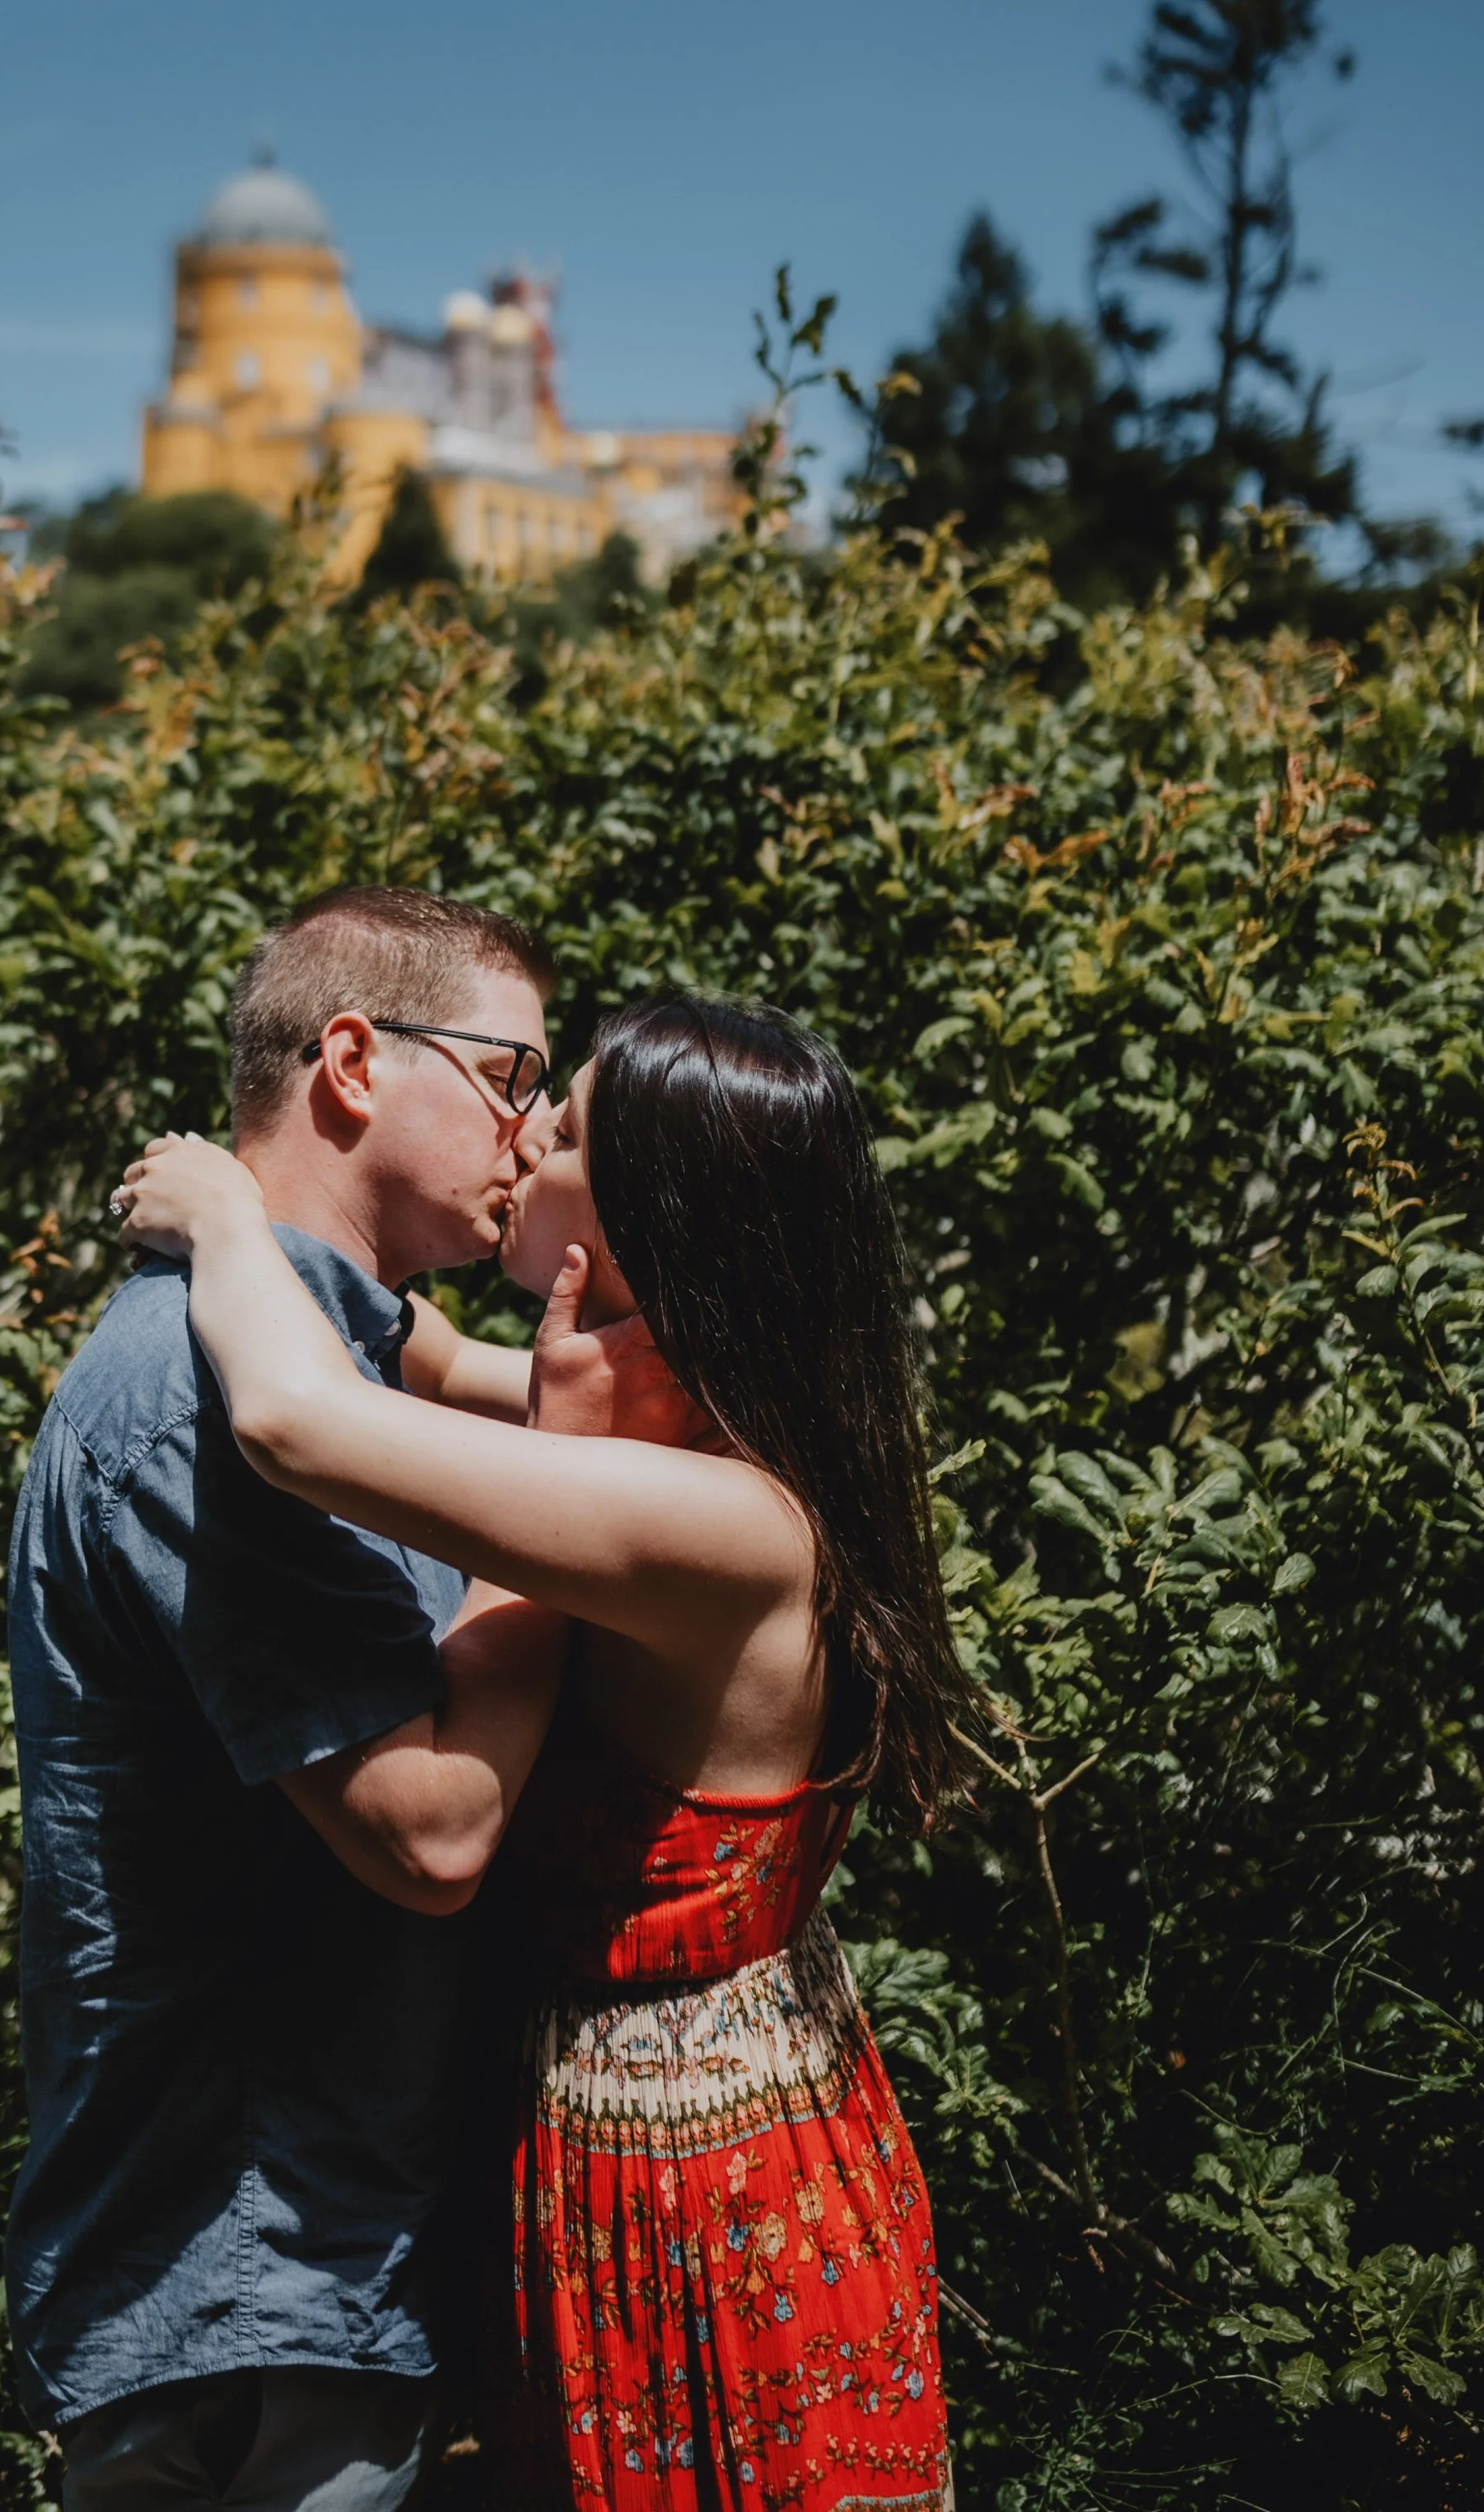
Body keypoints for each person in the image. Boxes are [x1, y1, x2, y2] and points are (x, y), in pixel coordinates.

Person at [115, 991, 965, 2512]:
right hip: (659, 2149)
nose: (523, 1134)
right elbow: (429, 1359)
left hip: (703, 2211)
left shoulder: (716, 1516)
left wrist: (226, 1218)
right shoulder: (684, 1414)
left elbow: (300, 1426)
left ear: (648, 1216)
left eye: (558, 1127)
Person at [5, 887, 682, 2512]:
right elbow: (427, 1829)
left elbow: (508, 1383)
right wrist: (561, 1525)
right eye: (511, 1074)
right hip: (249, 2287)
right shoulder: (209, 1399)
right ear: (358, 1062)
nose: (526, 1131)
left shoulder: (329, 1361)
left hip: (307, 2268)